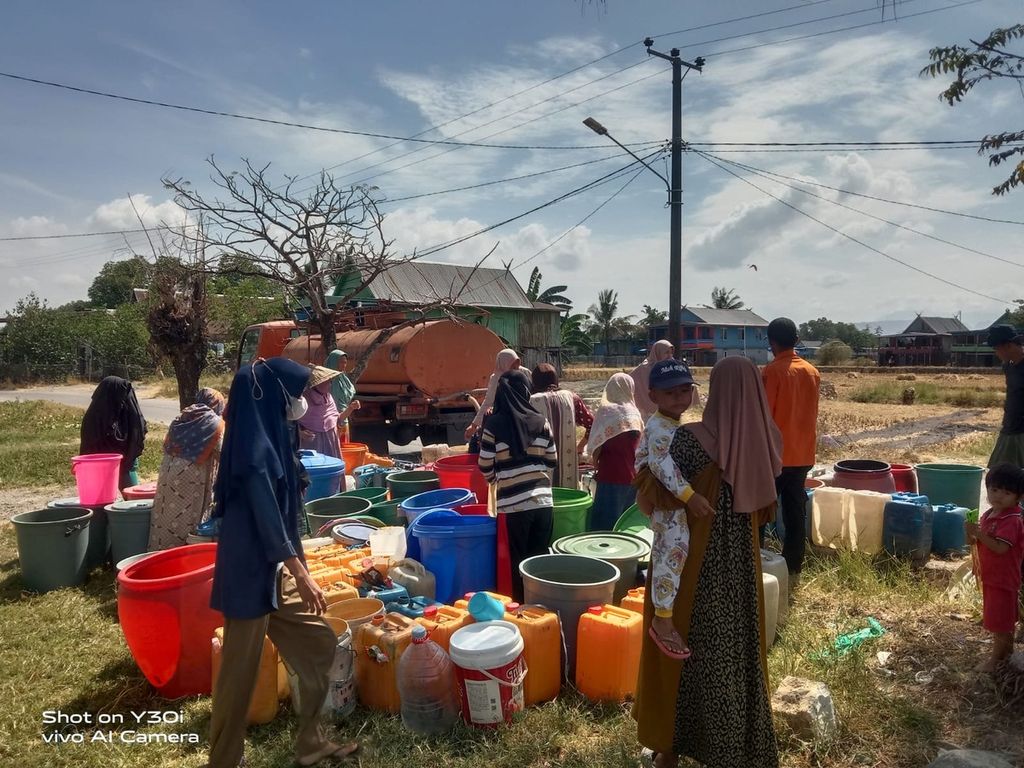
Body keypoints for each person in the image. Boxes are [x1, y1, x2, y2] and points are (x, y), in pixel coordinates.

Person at [207, 358, 358, 768]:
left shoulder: (276, 432)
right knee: (238, 677)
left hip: (278, 570)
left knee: (319, 644)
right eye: (295, 393)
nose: (300, 401)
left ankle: (310, 742)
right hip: (251, 570)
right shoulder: (253, 449)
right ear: (272, 395)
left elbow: (288, 509)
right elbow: (266, 512)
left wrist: (297, 566)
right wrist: (299, 571)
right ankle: (223, 760)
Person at [633, 356, 782, 768]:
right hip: (741, 572)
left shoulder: (689, 442)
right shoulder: (768, 443)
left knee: (680, 649)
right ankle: (733, 746)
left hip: (692, 569)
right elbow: (767, 510)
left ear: (713, 391)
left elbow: (648, 499)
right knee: (734, 652)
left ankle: (669, 748)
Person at [632, 360, 714, 659]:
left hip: (662, 493)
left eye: (684, 390)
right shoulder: (661, 427)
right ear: (653, 396)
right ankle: (663, 619)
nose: (679, 398)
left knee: (673, 548)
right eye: (670, 393)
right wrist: (690, 495)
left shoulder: (669, 422)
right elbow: (660, 464)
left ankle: (666, 611)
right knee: (673, 549)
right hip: (664, 495)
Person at [477, 369, 558, 601]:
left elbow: (484, 464)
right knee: (538, 562)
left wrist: (497, 478)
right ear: (526, 392)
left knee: (518, 563)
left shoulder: (493, 425)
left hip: (513, 506)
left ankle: (522, 611)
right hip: (543, 503)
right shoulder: (542, 422)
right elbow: (551, 461)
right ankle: (541, 608)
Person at [761, 317, 820, 580]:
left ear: (772, 343)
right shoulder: (811, 371)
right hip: (803, 454)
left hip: (775, 457)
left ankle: (756, 561)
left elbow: (764, 417)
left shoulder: (772, 372)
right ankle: (793, 566)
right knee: (795, 513)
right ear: (796, 341)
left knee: (761, 510)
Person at [148, 388, 226, 550]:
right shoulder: (214, 422)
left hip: (168, 473)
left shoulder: (182, 417)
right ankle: (182, 556)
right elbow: (223, 455)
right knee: (187, 517)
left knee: (166, 515)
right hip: (192, 477)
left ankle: (159, 554)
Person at [966, 462, 1024, 673]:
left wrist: (979, 533)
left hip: (1003, 579)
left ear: (1018, 498)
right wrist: (971, 532)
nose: (999, 495)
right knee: (1001, 621)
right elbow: (976, 543)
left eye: (1007, 492)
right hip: (991, 576)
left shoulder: (1012, 520)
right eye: (994, 489)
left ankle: (994, 662)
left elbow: (1000, 548)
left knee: (1001, 625)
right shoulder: (990, 514)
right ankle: (1006, 656)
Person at [586, 373, 644, 531]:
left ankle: (602, 556)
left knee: (604, 526)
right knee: (623, 524)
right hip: (633, 476)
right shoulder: (635, 412)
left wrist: (595, 462)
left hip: (610, 475)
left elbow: (596, 445)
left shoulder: (607, 411)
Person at [529, 363, 593, 490]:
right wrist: (580, 447)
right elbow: (592, 424)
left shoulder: (531, 401)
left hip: (540, 467)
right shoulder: (571, 398)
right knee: (567, 500)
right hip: (568, 466)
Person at [79, 375, 148, 491]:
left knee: (101, 499)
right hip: (125, 463)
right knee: (132, 498)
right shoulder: (132, 416)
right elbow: (138, 434)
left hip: (99, 464)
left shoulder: (94, 415)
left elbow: (88, 443)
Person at [986, 325, 1024, 468]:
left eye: (996, 348)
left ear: (1009, 345)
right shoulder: (1008, 366)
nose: (996, 353)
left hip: (1022, 431)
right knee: (998, 475)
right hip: (1009, 427)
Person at [465, 348, 521, 442]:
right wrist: (474, 425)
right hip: (504, 421)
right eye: (512, 367)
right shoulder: (496, 379)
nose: (516, 370)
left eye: (517, 366)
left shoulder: (524, 374)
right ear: (504, 365)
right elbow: (488, 402)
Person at [298, 364, 343, 459]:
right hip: (313, 443)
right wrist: (300, 433)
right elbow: (291, 423)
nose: (330, 385)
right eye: (327, 382)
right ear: (318, 383)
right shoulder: (304, 399)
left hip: (331, 440)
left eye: (330, 382)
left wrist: (351, 408)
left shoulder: (328, 398)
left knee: (332, 466)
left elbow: (336, 418)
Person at [630, 340, 675, 422]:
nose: (670, 356)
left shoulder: (671, 366)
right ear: (658, 352)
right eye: (666, 352)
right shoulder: (645, 367)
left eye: (671, 353)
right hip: (648, 411)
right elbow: (630, 379)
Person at [324, 350, 360, 445]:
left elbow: (349, 394)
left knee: (344, 450)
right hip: (330, 422)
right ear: (333, 362)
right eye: (341, 362)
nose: (344, 365)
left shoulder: (343, 378)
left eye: (345, 362)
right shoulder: (325, 380)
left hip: (344, 419)